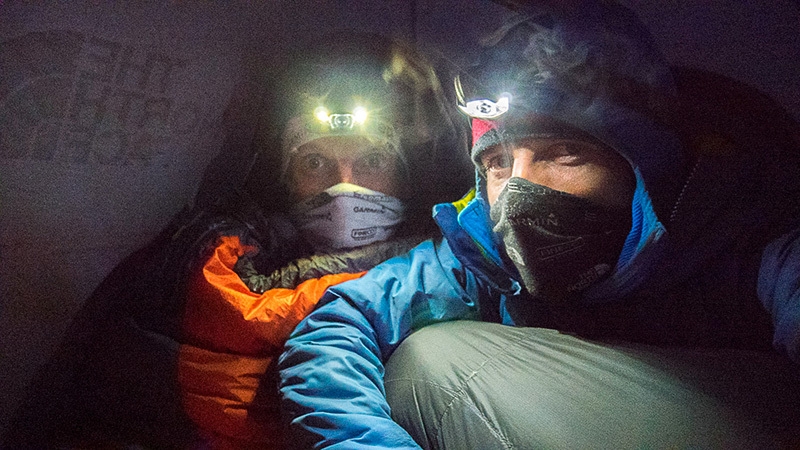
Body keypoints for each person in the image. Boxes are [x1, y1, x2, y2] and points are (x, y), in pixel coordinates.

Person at [278, 2, 800, 449]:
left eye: (564, 154)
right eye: (498, 163)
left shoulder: (748, 242)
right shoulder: (480, 255)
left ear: (643, 164)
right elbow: (337, 327)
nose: (519, 192)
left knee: (434, 358)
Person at [3, 32, 471, 449]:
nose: (343, 187)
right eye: (314, 163)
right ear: (282, 177)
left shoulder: (453, 268)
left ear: (409, 179)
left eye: (371, 161)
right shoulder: (187, 257)